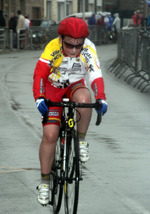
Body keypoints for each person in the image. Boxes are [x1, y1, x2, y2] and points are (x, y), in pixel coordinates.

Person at [33, 17, 107, 205]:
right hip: (53, 87)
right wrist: (40, 97)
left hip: (75, 84)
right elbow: (40, 73)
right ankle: (44, 183)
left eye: (78, 46)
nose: (74, 50)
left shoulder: (88, 49)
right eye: (69, 45)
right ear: (61, 38)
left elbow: (95, 74)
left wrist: (101, 97)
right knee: (50, 134)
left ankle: (80, 140)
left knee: (85, 99)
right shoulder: (52, 47)